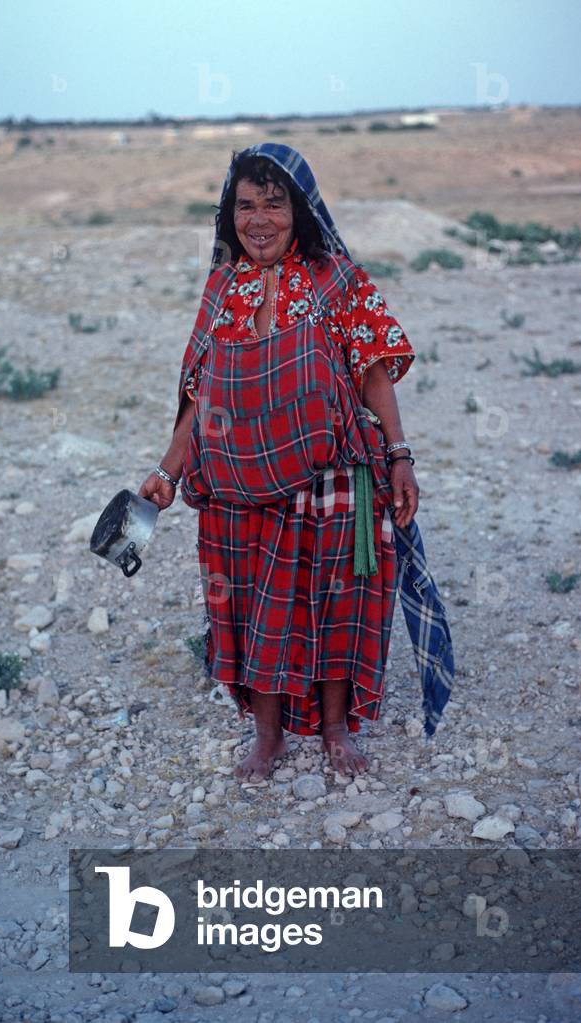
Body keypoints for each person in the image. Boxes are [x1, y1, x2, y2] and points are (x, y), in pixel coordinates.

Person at [139, 143, 454, 783]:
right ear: (229, 216)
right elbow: (200, 393)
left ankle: (336, 728)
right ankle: (267, 736)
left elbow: (371, 371)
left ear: (300, 210)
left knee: (337, 600)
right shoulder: (224, 288)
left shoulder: (335, 278)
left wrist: (399, 456)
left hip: (334, 476)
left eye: (273, 204)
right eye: (245, 205)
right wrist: (168, 473)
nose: (259, 219)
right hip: (236, 481)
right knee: (253, 607)